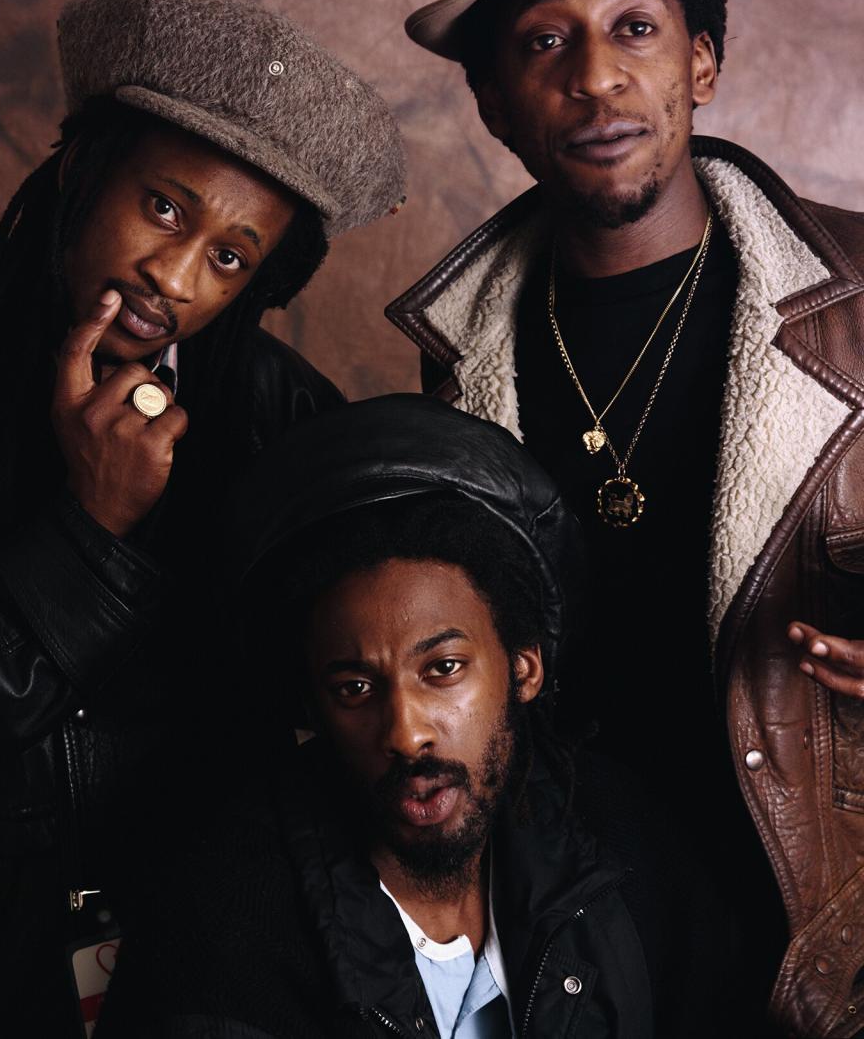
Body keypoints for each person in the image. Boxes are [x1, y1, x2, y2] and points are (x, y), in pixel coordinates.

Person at [385, 0, 864, 1034]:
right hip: (589, 948)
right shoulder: (455, 370)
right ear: (493, 99)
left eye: (636, 26)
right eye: (545, 41)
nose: (597, 79)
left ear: (701, 58)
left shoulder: (858, 303)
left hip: (830, 926)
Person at [0, 0, 404, 1037]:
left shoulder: (289, 419)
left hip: (201, 962)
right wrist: (87, 535)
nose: (172, 274)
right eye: (165, 206)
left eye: (228, 256)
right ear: (84, 167)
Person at [98, 394, 735, 1039]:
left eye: (444, 669)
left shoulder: (625, 847)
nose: (406, 733)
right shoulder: (226, 924)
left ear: (523, 666)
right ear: (312, 705)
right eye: (355, 687)